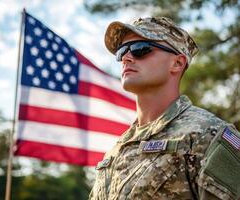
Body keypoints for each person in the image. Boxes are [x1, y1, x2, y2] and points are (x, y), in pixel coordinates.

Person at [89, 17, 240, 200]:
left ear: (177, 63)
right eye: (122, 51)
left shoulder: (207, 135)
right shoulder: (117, 150)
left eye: (140, 49)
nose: (127, 58)